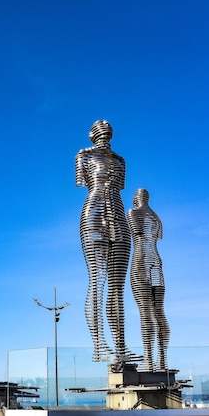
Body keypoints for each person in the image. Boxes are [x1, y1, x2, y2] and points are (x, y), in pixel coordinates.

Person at [76, 120, 132, 362]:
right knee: (97, 280)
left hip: (119, 215)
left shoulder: (121, 160)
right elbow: (85, 184)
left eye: (108, 127)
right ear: (92, 134)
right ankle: (99, 345)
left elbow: (119, 188)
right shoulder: (83, 156)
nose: (105, 127)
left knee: (118, 287)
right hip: (94, 214)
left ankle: (120, 347)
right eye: (100, 127)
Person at [127, 188, 170, 371]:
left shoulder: (133, 213)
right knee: (159, 311)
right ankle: (163, 360)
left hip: (141, 261)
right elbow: (158, 237)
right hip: (157, 263)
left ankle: (149, 361)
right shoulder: (157, 218)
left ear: (136, 199)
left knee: (145, 311)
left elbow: (134, 233)